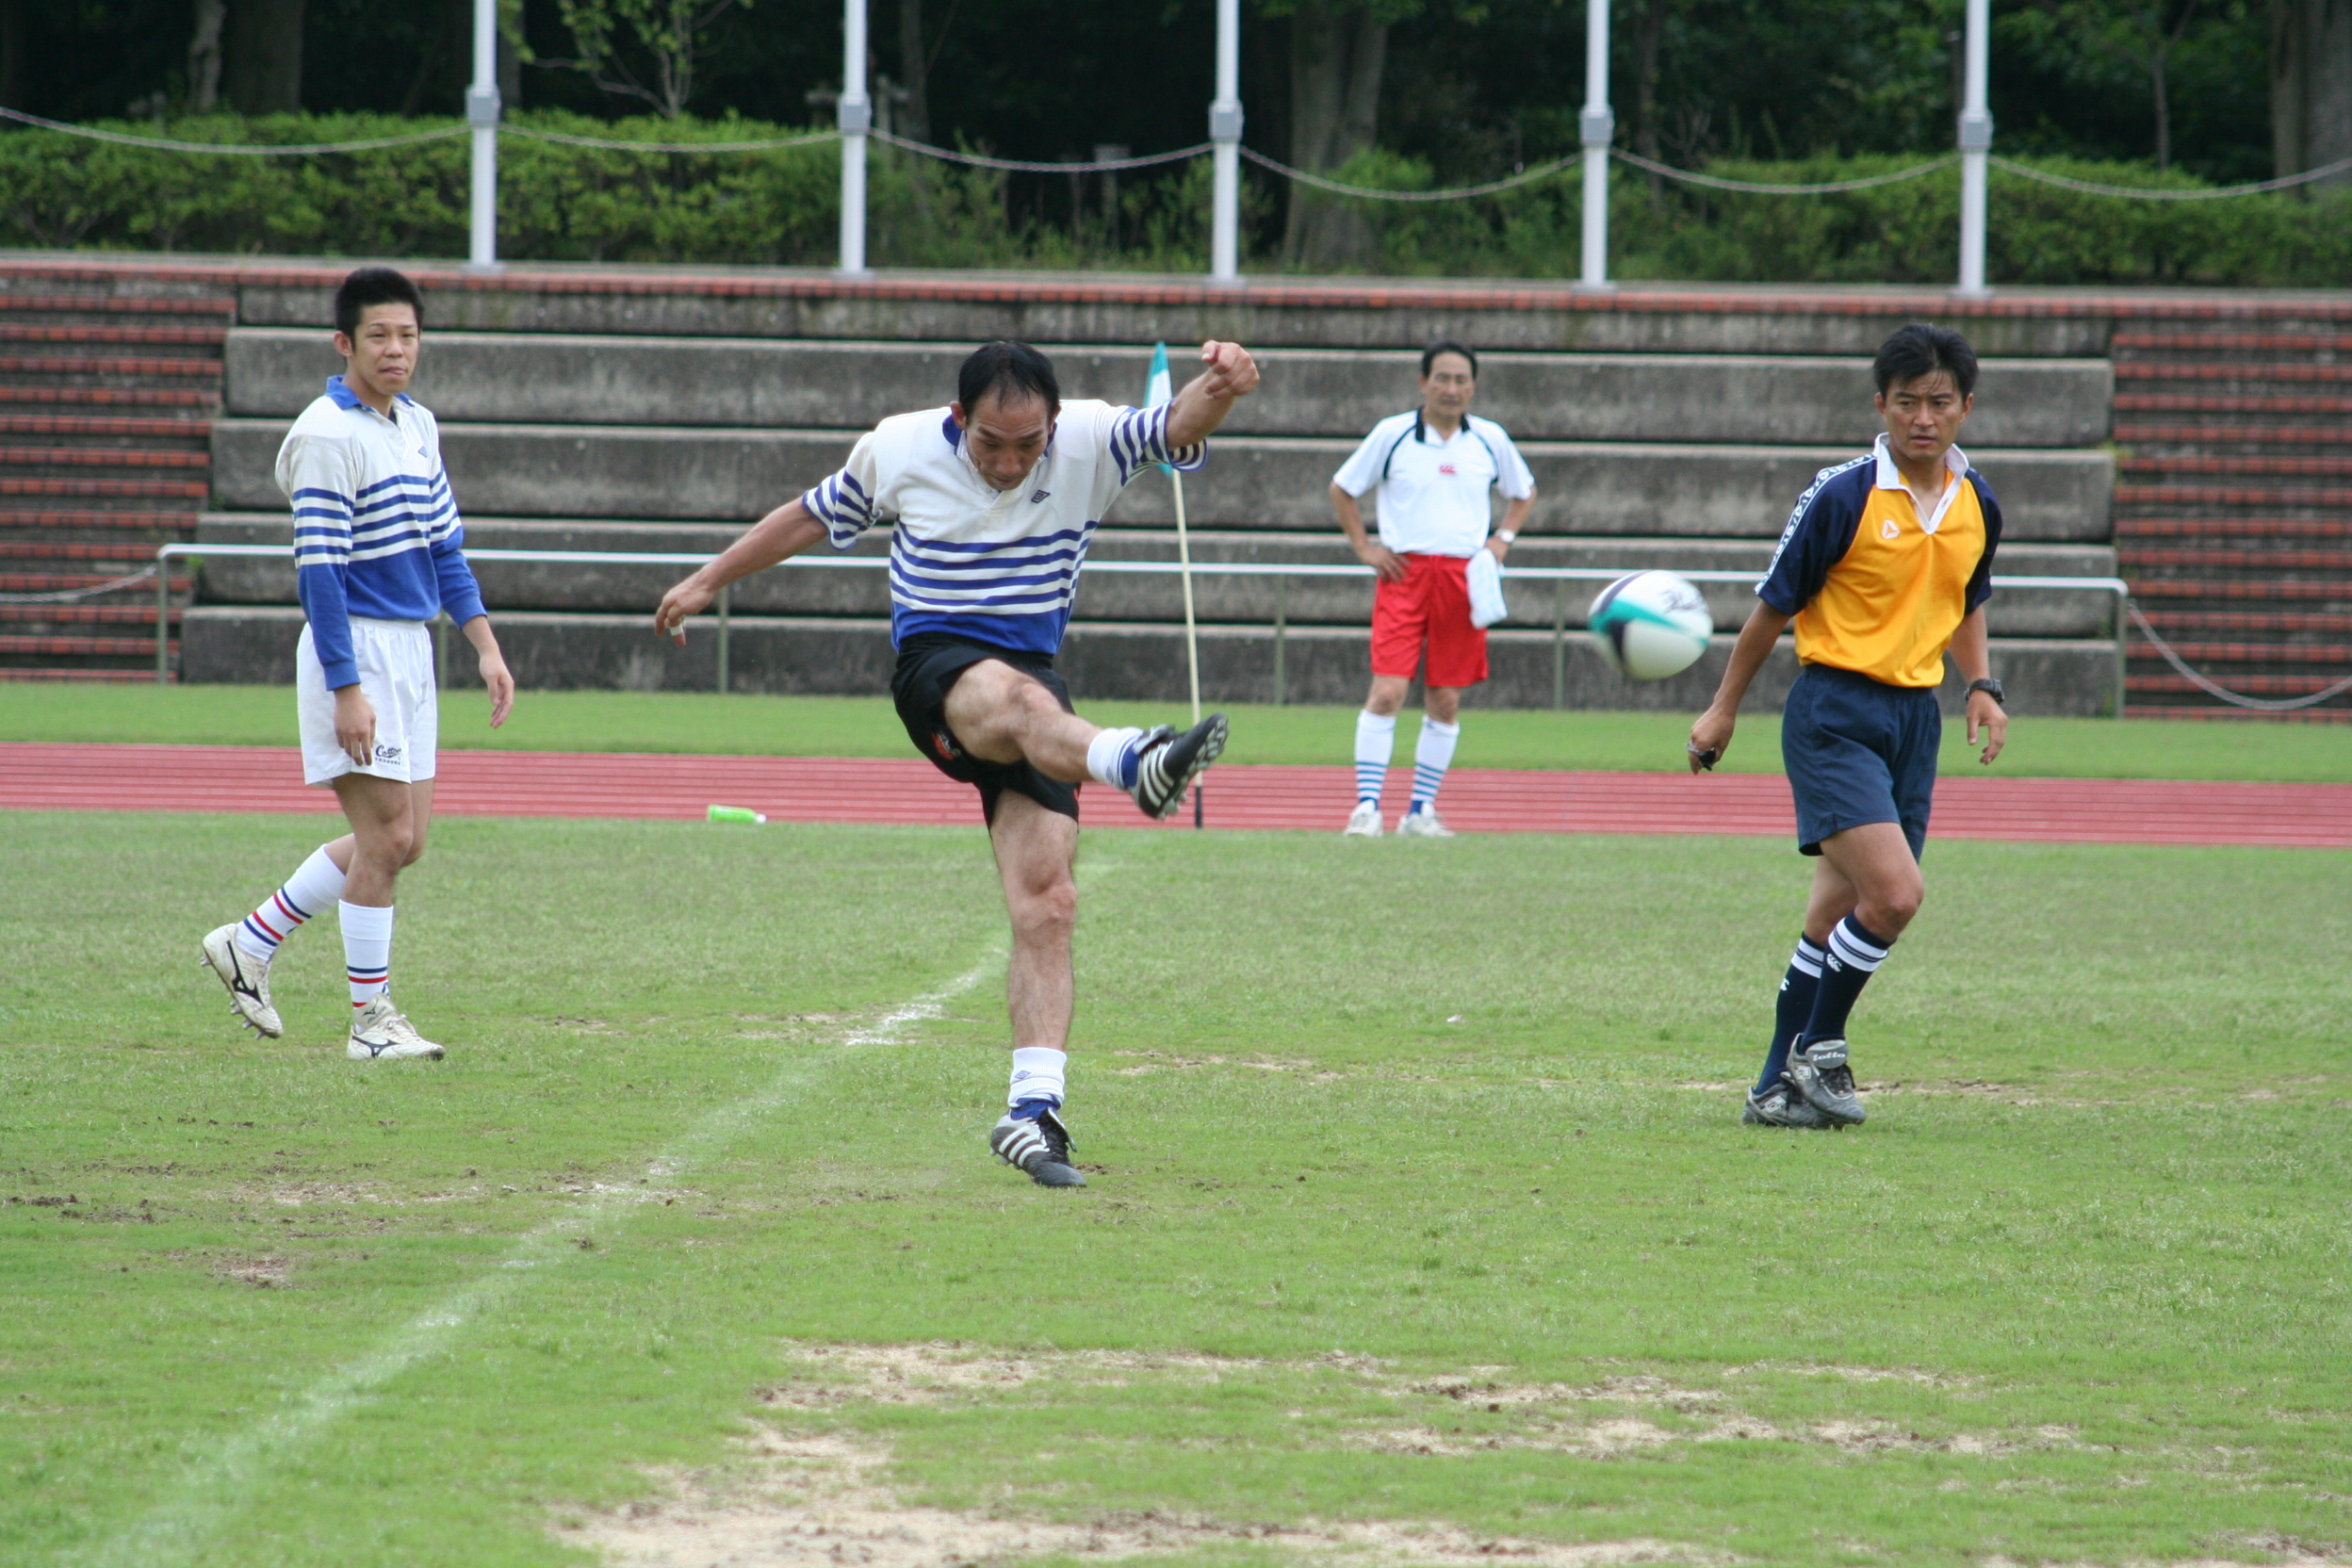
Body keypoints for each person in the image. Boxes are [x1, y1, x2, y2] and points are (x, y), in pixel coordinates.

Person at [652, 339, 1258, 1188]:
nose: (1010, 461)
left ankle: (1033, 1113)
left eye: (1027, 444)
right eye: (989, 443)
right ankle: (1137, 759)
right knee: (1018, 706)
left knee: (1049, 900)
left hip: (1036, 686)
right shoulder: (896, 446)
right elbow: (805, 515)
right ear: (955, 419)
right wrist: (707, 580)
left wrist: (1223, 385)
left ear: (1052, 423)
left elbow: (1180, 420)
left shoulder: (1089, 435)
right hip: (938, 670)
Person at [1688, 322, 2008, 1131]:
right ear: (1881, 405)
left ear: (1966, 407)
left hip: (1915, 720)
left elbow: (1965, 600)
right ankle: (1821, 1051)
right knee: (1896, 895)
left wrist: (1981, 686)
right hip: (1834, 711)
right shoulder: (1843, 493)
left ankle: (1772, 1088)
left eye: (1940, 402)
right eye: (1907, 402)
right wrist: (1724, 708)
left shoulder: (1979, 505)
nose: (1923, 418)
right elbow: (1772, 609)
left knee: (1835, 914)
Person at [200, 267, 515, 1062]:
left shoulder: (417, 424)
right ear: (345, 343)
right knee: (385, 839)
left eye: (407, 334)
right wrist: (347, 688)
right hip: (358, 649)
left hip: (412, 649)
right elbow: (321, 575)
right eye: (378, 334)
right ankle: (370, 1024)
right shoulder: (325, 434)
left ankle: (249, 941)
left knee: (405, 842)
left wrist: (484, 645)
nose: (396, 349)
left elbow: (446, 549)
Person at [1330, 340, 1535, 838]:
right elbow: (1343, 488)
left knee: (1445, 699)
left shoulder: (1488, 439)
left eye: (1461, 379)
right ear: (1423, 383)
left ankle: (1420, 811)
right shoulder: (1393, 433)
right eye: (1441, 378)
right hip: (1404, 576)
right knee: (1388, 692)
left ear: (1474, 386)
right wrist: (1365, 548)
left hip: (1463, 581)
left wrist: (1501, 540)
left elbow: (1523, 492)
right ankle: (1366, 808)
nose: (1451, 388)